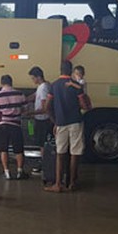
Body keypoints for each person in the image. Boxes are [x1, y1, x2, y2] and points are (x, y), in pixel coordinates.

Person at [44, 60, 85, 193]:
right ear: (71, 70)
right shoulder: (76, 85)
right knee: (75, 153)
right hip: (76, 122)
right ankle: (72, 183)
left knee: (60, 154)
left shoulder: (54, 85)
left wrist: (54, 121)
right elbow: (83, 104)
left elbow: (47, 106)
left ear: (60, 70)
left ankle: (58, 184)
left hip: (61, 123)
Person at [0, 75, 29, 180]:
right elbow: (25, 109)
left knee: (4, 149)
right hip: (16, 125)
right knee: (18, 150)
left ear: (2, 83)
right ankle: (20, 172)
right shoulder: (20, 94)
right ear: (11, 82)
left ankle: (7, 172)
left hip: (3, 125)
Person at [26, 66, 52, 174]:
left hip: (43, 120)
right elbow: (34, 96)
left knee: (42, 144)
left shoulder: (44, 88)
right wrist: (22, 99)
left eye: (33, 78)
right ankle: (44, 163)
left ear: (38, 77)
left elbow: (44, 108)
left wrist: (30, 113)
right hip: (40, 119)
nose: (32, 80)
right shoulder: (42, 86)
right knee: (41, 142)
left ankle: (44, 165)